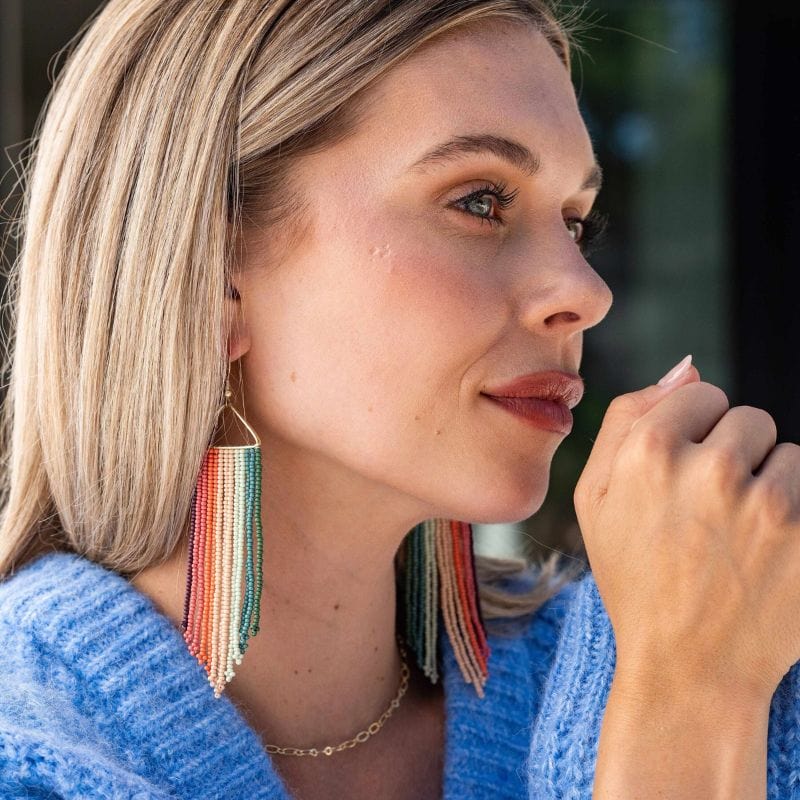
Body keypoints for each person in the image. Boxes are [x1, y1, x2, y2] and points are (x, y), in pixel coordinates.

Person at [1, 1, 799, 798]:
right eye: (481, 201)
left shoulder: (731, 657)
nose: (586, 292)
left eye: (577, 223)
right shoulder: (30, 754)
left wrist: (695, 676)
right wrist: (683, 714)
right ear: (214, 276)